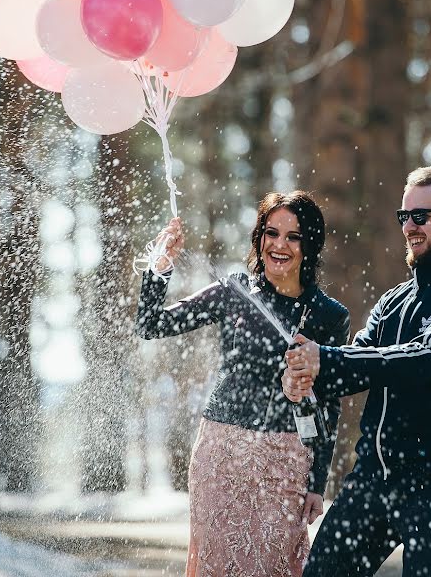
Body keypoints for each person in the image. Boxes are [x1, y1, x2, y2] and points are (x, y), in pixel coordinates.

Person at [282, 165, 431, 576]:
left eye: (421, 216)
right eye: (404, 217)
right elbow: (358, 364)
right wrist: (307, 373)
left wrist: (327, 359)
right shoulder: (393, 300)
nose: (409, 227)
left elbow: (425, 357)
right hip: (372, 476)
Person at [136, 191, 350, 577]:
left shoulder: (329, 316)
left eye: (293, 236)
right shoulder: (234, 292)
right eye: (271, 233)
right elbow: (151, 325)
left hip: (286, 461)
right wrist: (161, 265)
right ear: (259, 238)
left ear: (310, 245)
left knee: (275, 565)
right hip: (221, 454)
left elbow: (329, 406)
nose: (279, 245)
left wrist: (318, 482)